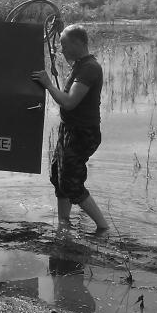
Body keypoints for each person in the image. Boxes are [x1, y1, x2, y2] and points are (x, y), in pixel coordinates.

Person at [31, 24, 109, 234]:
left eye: (64, 45)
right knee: (58, 176)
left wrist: (48, 84)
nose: (61, 49)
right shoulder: (80, 65)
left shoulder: (90, 68)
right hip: (69, 129)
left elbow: (69, 102)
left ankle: (103, 228)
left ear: (78, 43)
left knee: (71, 183)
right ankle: (63, 224)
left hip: (82, 133)